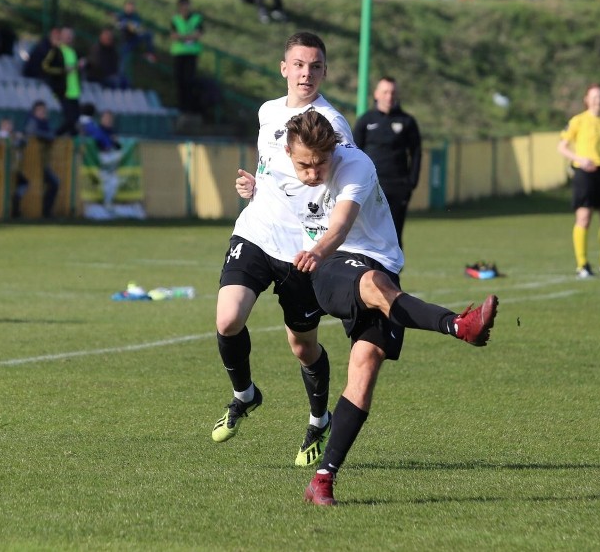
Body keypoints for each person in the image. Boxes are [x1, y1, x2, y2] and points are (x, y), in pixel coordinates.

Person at [235, 110, 499, 506]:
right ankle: (459, 326)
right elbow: (277, 191)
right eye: (303, 164)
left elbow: (339, 226)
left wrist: (315, 249)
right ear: (288, 151)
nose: (312, 172)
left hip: (358, 256)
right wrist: (253, 188)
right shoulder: (280, 160)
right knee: (373, 285)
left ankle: (322, 480)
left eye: (320, 163)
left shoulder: (355, 165)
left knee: (366, 364)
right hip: (331, 266)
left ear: (334, 151)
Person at [210, 32, 356, 469]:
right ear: (284, 67)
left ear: (324, 71)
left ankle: (318, 418)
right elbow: (272, 165)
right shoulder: (267, 111)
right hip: (256, 232)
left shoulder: (333, 124)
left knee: (302, 346)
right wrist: (254, 185)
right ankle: (245, 395)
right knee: (228, 317)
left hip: (303, 252)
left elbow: (347, 184)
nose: (305, 73)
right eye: (298, 64)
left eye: (314, 66)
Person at [557, 83, 600, 278]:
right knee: (584, 218)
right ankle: (582, 265)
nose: (598, 101)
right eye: (594, 97)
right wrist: (579, 159)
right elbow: (561, 147)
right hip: (585, 173)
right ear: (586, 100)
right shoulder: (578, 121)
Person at [352, 76, 422, 248]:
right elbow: (353, 152)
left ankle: (393, 274)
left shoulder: (407, 122)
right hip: (371, 186)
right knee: (368, 232)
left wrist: (411, 182)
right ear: (377, 94)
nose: (389, 96)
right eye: (385, 92)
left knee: (395, 234)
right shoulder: (366, 120)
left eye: (392, 92)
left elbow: (416, 152)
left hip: (398, 186)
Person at [19, 100, 60, 218]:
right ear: (35, 111)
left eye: (44, 111)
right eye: (41, 111)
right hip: (30, 164)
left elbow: (51, 135)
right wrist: (48, 136)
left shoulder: (45, 123)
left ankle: (46, 211)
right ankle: (19, 210)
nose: (44, 113)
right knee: (26, 185)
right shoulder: (32, 122)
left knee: (54, 183)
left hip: (41, 163)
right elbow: (31, 132)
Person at [41, 27, 83, 136]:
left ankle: (72, 147)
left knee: (76, 122)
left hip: (75, 91)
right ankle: (54, 136)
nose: (69, 38)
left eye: (70, 36)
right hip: (62, 91)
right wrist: (63, 71)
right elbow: (45, 67)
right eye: (66, 35)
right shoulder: (56, 50)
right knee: (70, 119)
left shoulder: (74, 52)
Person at [169, 0, 204, 114]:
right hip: (179, 53)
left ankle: (190, 107)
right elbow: (173, 35)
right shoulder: (175, 19)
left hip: (191, 53)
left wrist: (183, 37)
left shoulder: (196, 18)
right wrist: (188, 37)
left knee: (190, 81)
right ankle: (181, 106)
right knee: (180, 80)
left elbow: (199, 33)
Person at [116, 0, 158, 72]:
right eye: (128, 6)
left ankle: (150, 54)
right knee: (122, 62)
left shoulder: (136, 17)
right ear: (125, 7)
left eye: (132, 7)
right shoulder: (121, 15)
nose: (130, 8)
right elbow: (120, 26)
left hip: (135, 38)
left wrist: (131, 26)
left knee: (148, 33)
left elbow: (137, 29)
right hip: (125, 41)